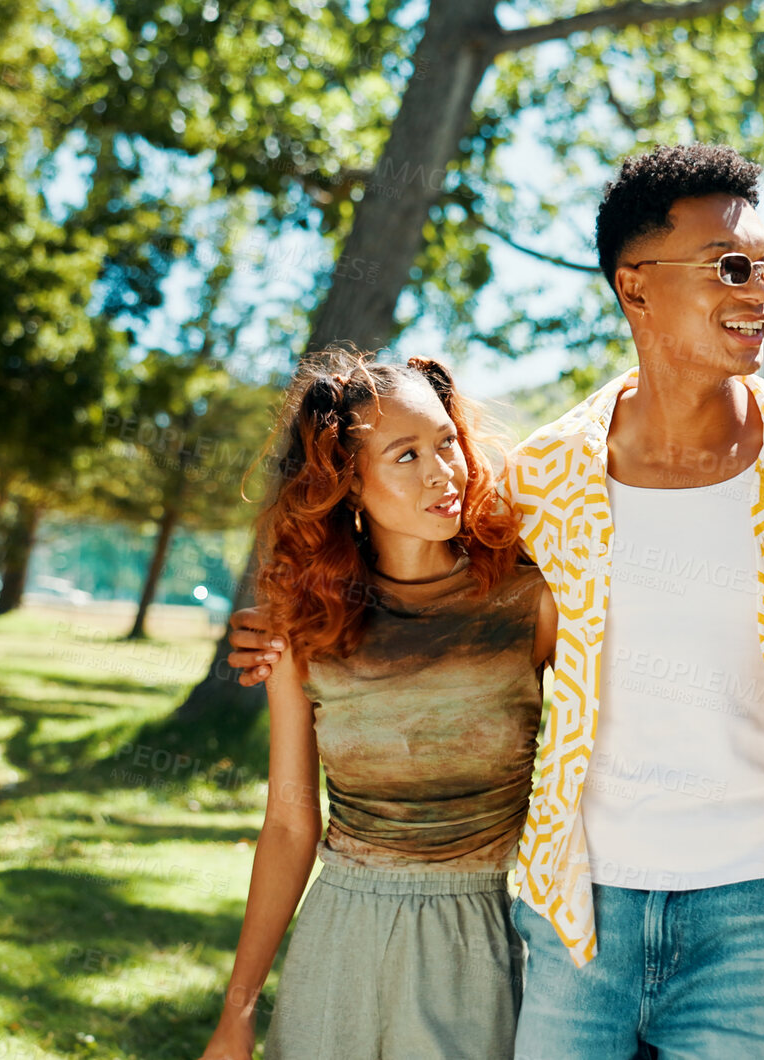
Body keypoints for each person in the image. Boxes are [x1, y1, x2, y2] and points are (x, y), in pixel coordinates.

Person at [229, 144, 764, 1058]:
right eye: (730, 266)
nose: (761, 290)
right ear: (635, 286)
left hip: (761, 908)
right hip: (576, 912)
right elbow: (422, 569)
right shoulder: (544, 478)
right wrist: (288, 621)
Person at [200, 347, 556, 1060]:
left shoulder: (530, 603)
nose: (442, 472)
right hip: (339, 937)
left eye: (446, 443)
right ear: (350, 484)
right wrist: (237, 1013)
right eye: (405, 456)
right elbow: (289, 824)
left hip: (477, 941)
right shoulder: (305, 627)